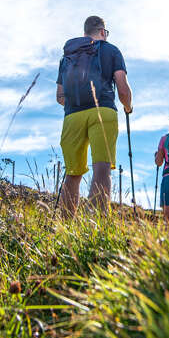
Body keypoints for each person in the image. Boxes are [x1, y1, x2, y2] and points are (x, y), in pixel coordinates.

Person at [56, 16, 132, 215]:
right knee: (101, 167)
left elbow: (60, 96)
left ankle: (66, 228)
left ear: (84, 34)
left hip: (72, 115)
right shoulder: (111, 50)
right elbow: (122, 88)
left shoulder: (68, 57)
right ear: (102, 32)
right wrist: (128, 107)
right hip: (104, 111)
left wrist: (77, 103)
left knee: (73, 173)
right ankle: (96, 223)